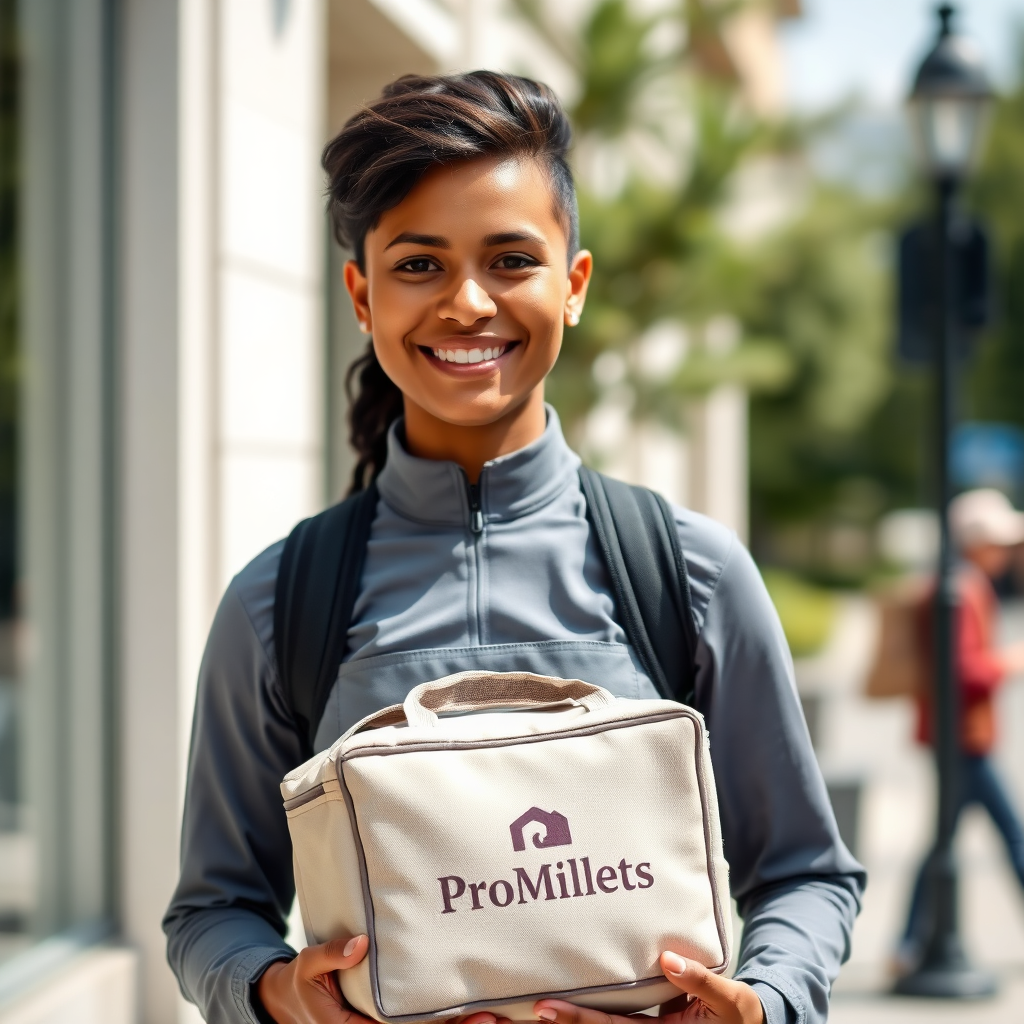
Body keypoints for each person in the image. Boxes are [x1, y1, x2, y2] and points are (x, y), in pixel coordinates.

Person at [163, 72, 864, 1024]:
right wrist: (277, 990)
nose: (465, 302)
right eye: (417, 265)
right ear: (361, 296)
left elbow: (806, 875)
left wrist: (764, 1000)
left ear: (572, 285)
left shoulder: (689, 574)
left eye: (509, 259)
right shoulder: (280, 602)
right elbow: (212, 910)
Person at [897, 488, 1024, 969]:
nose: (1007, 552)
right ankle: (909, 944)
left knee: (943, 842)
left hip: (956, 737)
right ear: (977, 542)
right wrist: (1010, 662)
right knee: (1007, 836)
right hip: (963, 739)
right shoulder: (962, 589)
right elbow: (962, 671)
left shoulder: (954, 584)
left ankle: (908, 943)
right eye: (1000, 541)